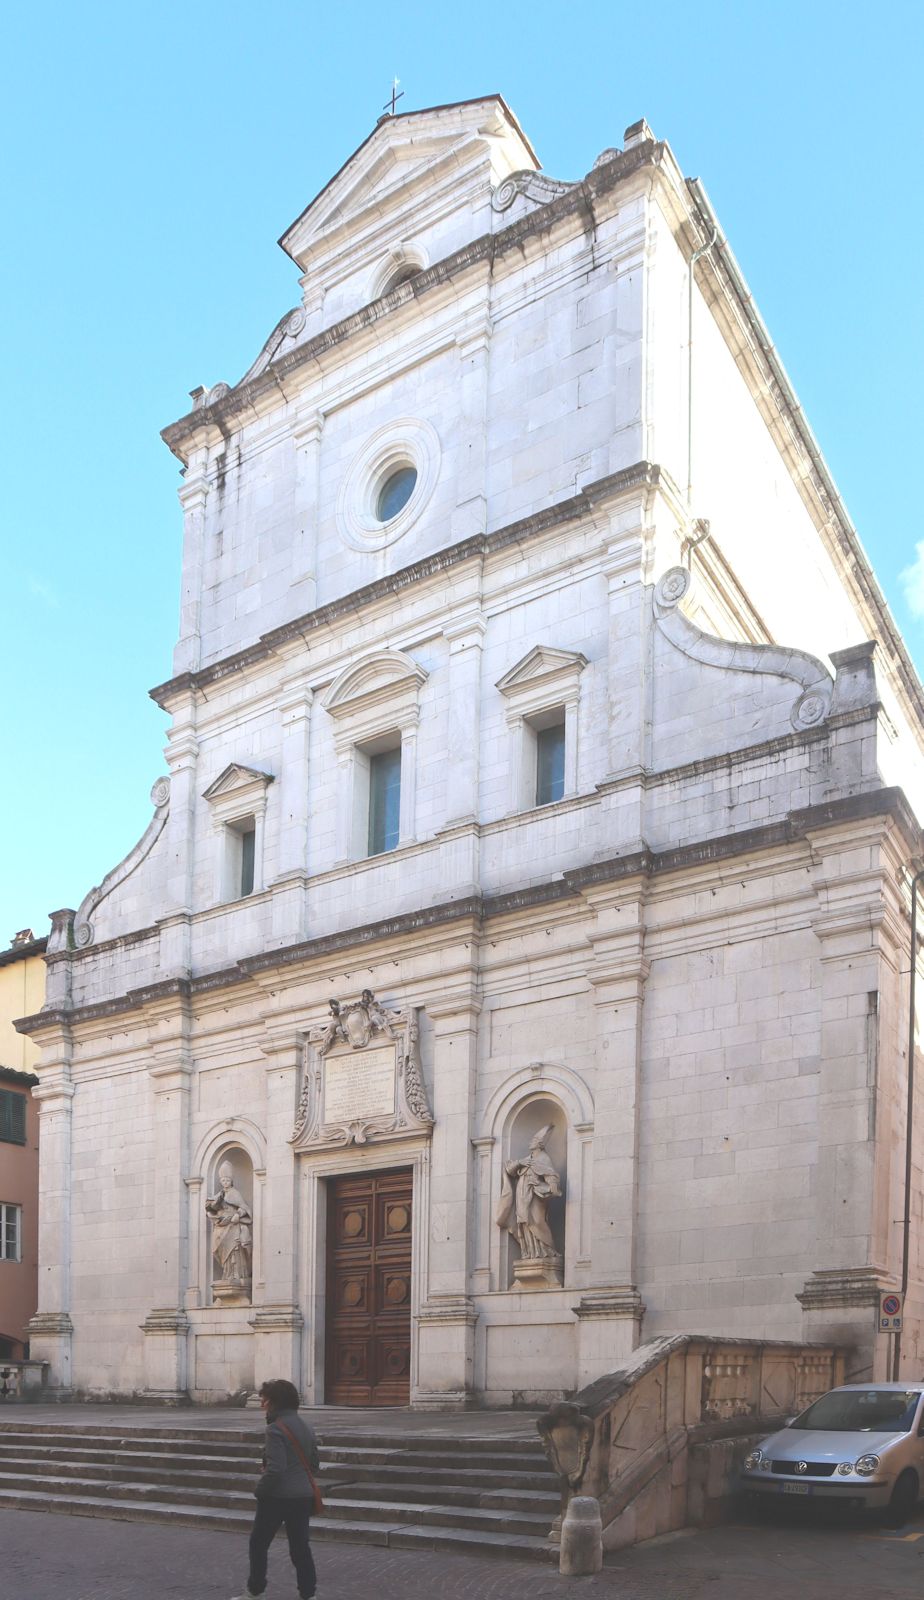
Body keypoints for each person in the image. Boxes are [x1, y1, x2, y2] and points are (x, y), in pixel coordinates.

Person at [231, 1378, 320, 1600]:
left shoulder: (275, 1429)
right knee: (300, 1548)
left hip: (277, 1497)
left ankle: (255, 1591)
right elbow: (315, 1464)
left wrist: (260, 1490)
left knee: (258, 1544)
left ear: (274, 1403)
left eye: (264, 1400)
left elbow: (276, 1469)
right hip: (302, 1495)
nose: (262, 1404)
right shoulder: (307, 1426)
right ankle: (309, 1595)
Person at [496, 1124, 562, 1259]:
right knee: (524, 1222)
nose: (529, 1142)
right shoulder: (527, 1159)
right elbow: (509, 1170)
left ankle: (547, 1251)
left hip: (535, 1196)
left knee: (537, 1220)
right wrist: (520, 1163)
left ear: (539, 1144)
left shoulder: (544, 1158)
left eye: (532, 1140)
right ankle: (531, 1252)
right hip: (522, 1195)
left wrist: (547, 1186)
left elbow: (551, 1175)